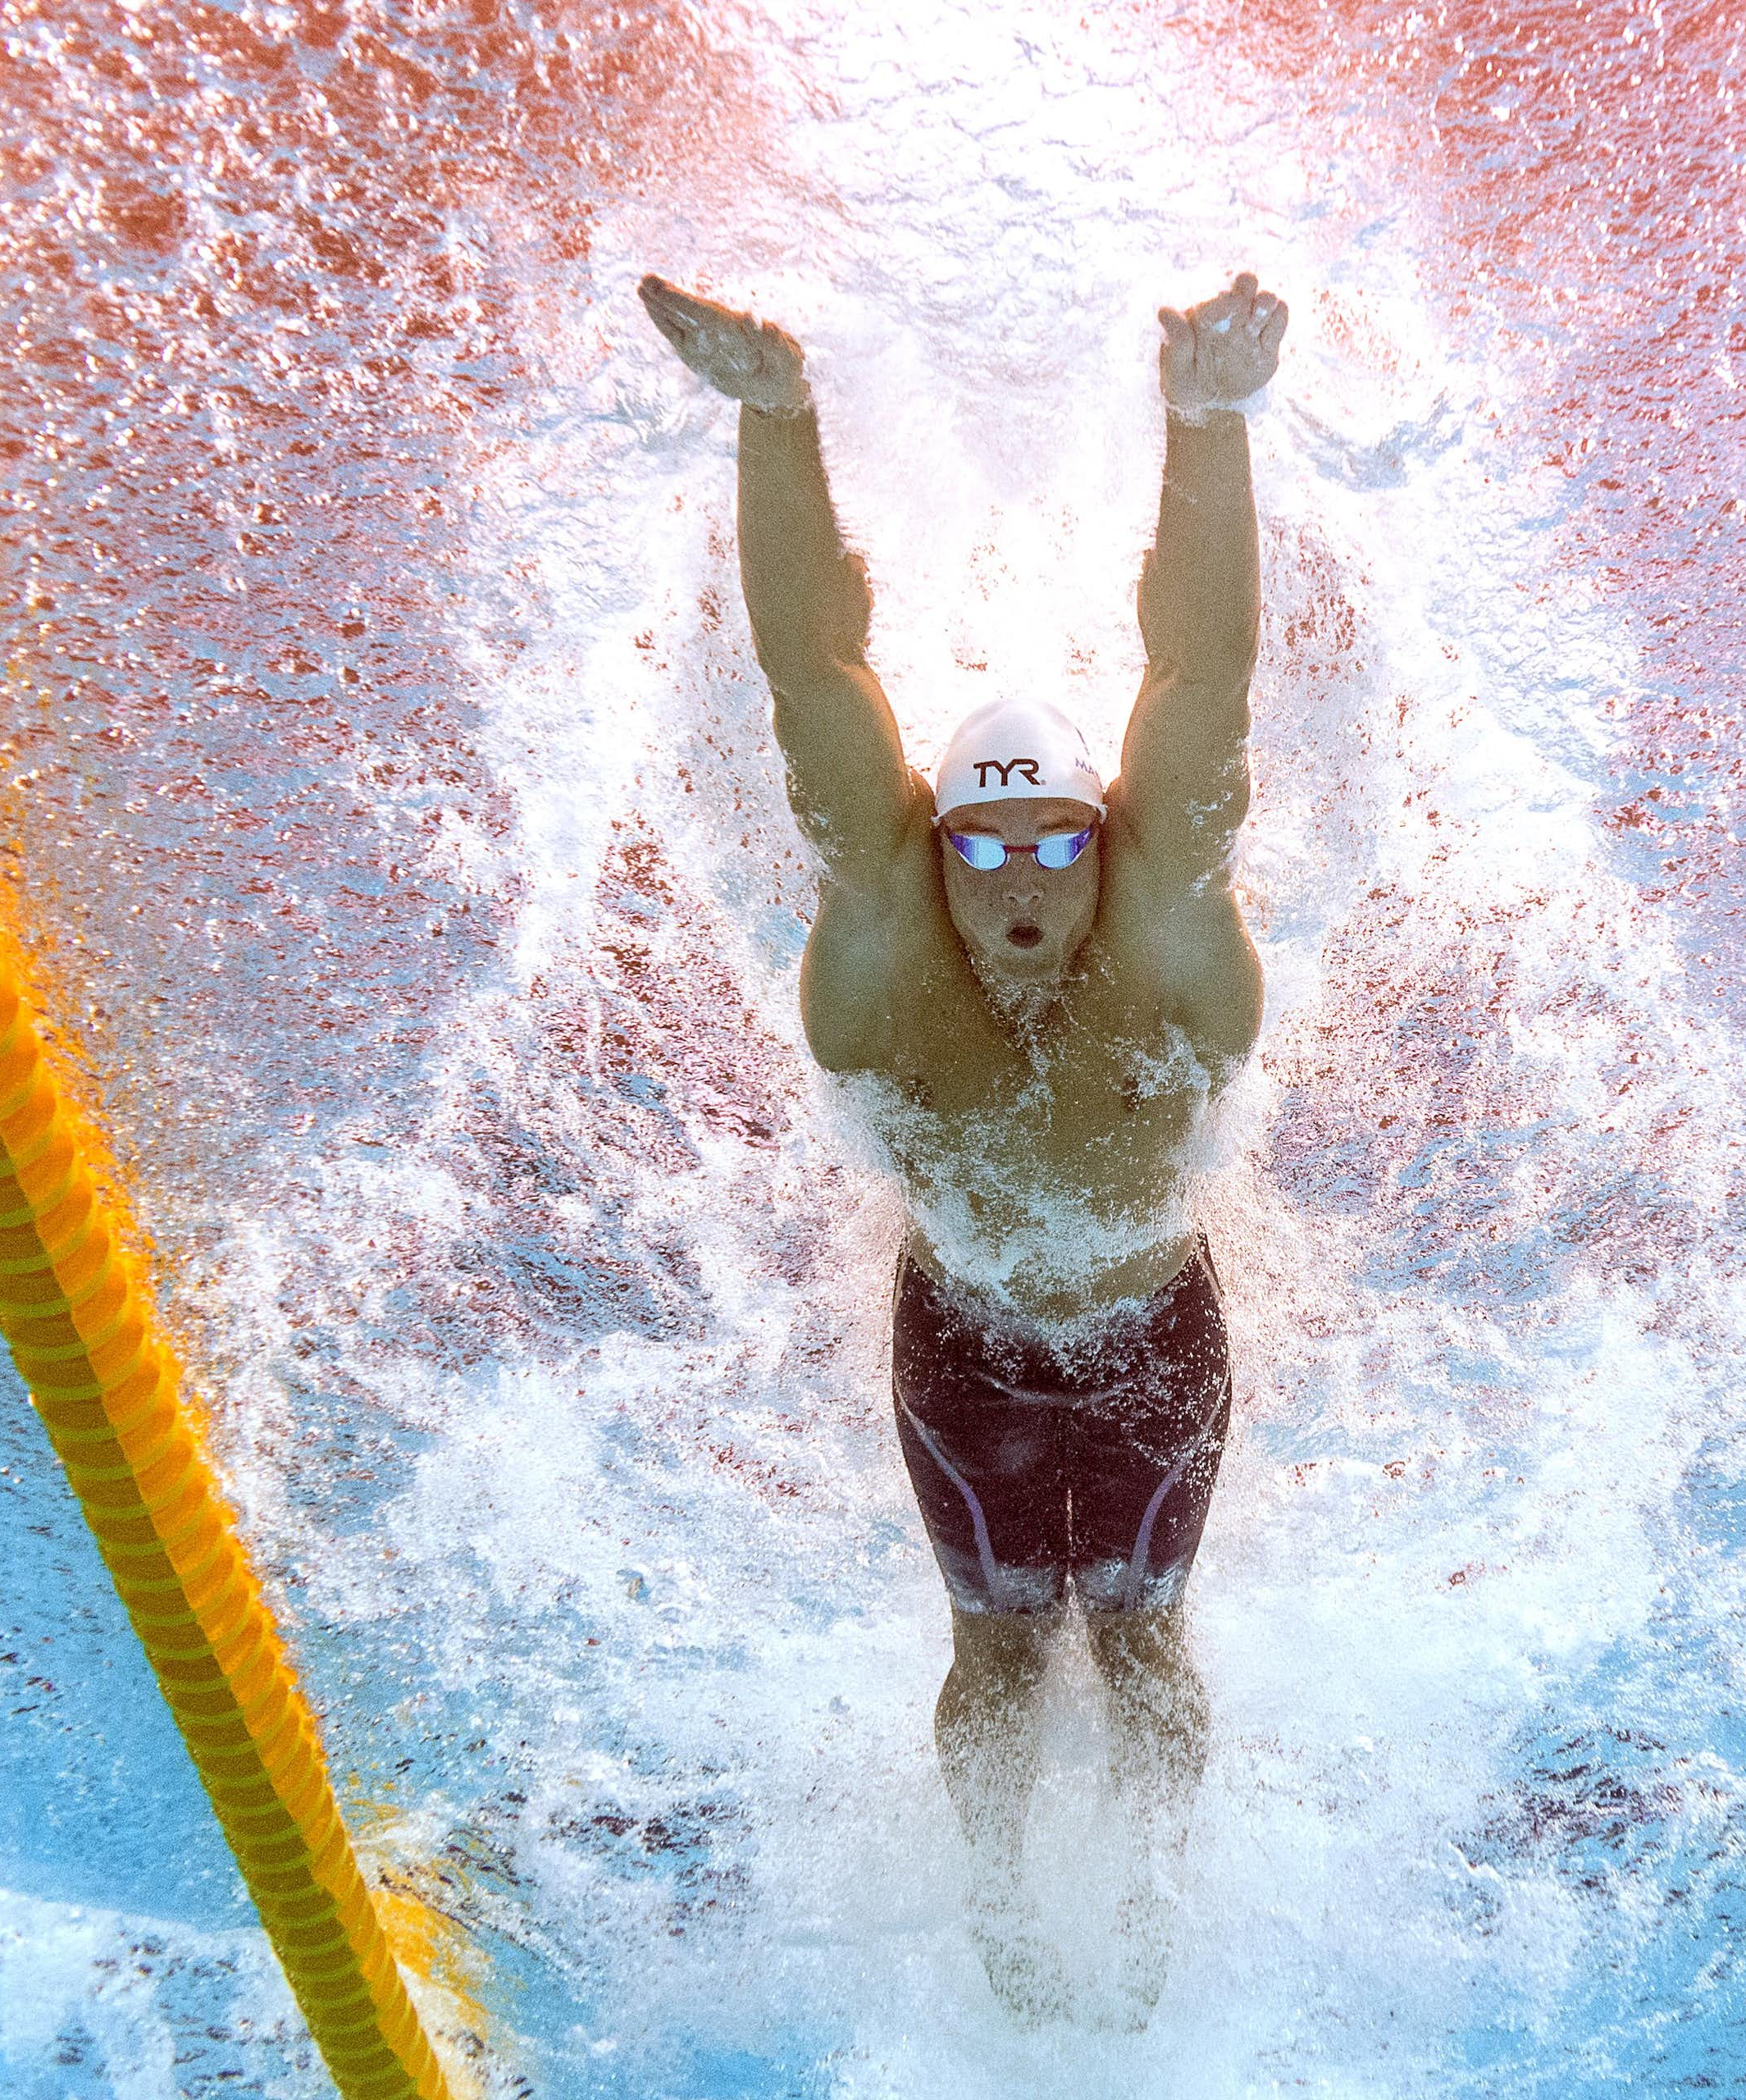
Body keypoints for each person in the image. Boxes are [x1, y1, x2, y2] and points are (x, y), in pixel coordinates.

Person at [639, 266, 1284, 2021]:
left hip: (1153, 1337)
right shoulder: (881, 949)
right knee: (997, 1649)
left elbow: (1200, 681)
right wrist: (775, 421)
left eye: (1052, 849)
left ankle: (1144, 1898)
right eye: (978, 854)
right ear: (930, 853)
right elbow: (813, 677)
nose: (1015, 888)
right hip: (964, 1351)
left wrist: (1205, 420)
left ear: (1103, 843)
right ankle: (1000, 1892)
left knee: (1144, 1639)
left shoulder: (1164, 949)